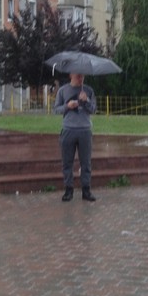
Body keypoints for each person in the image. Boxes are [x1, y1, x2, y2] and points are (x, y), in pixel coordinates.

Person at [53, 73, 97, 202]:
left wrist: (87, 100)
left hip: (84, 130)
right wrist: (68, 106)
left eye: (83, 75)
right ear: (71, 75)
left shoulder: (88, 90)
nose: (81, 78)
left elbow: (94, 109)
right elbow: (56, 110)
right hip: (68, 130)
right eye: (78, 75)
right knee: (67, 162)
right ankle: (68, 190)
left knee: (86, 162)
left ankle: (86, 190)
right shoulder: (63, 90)